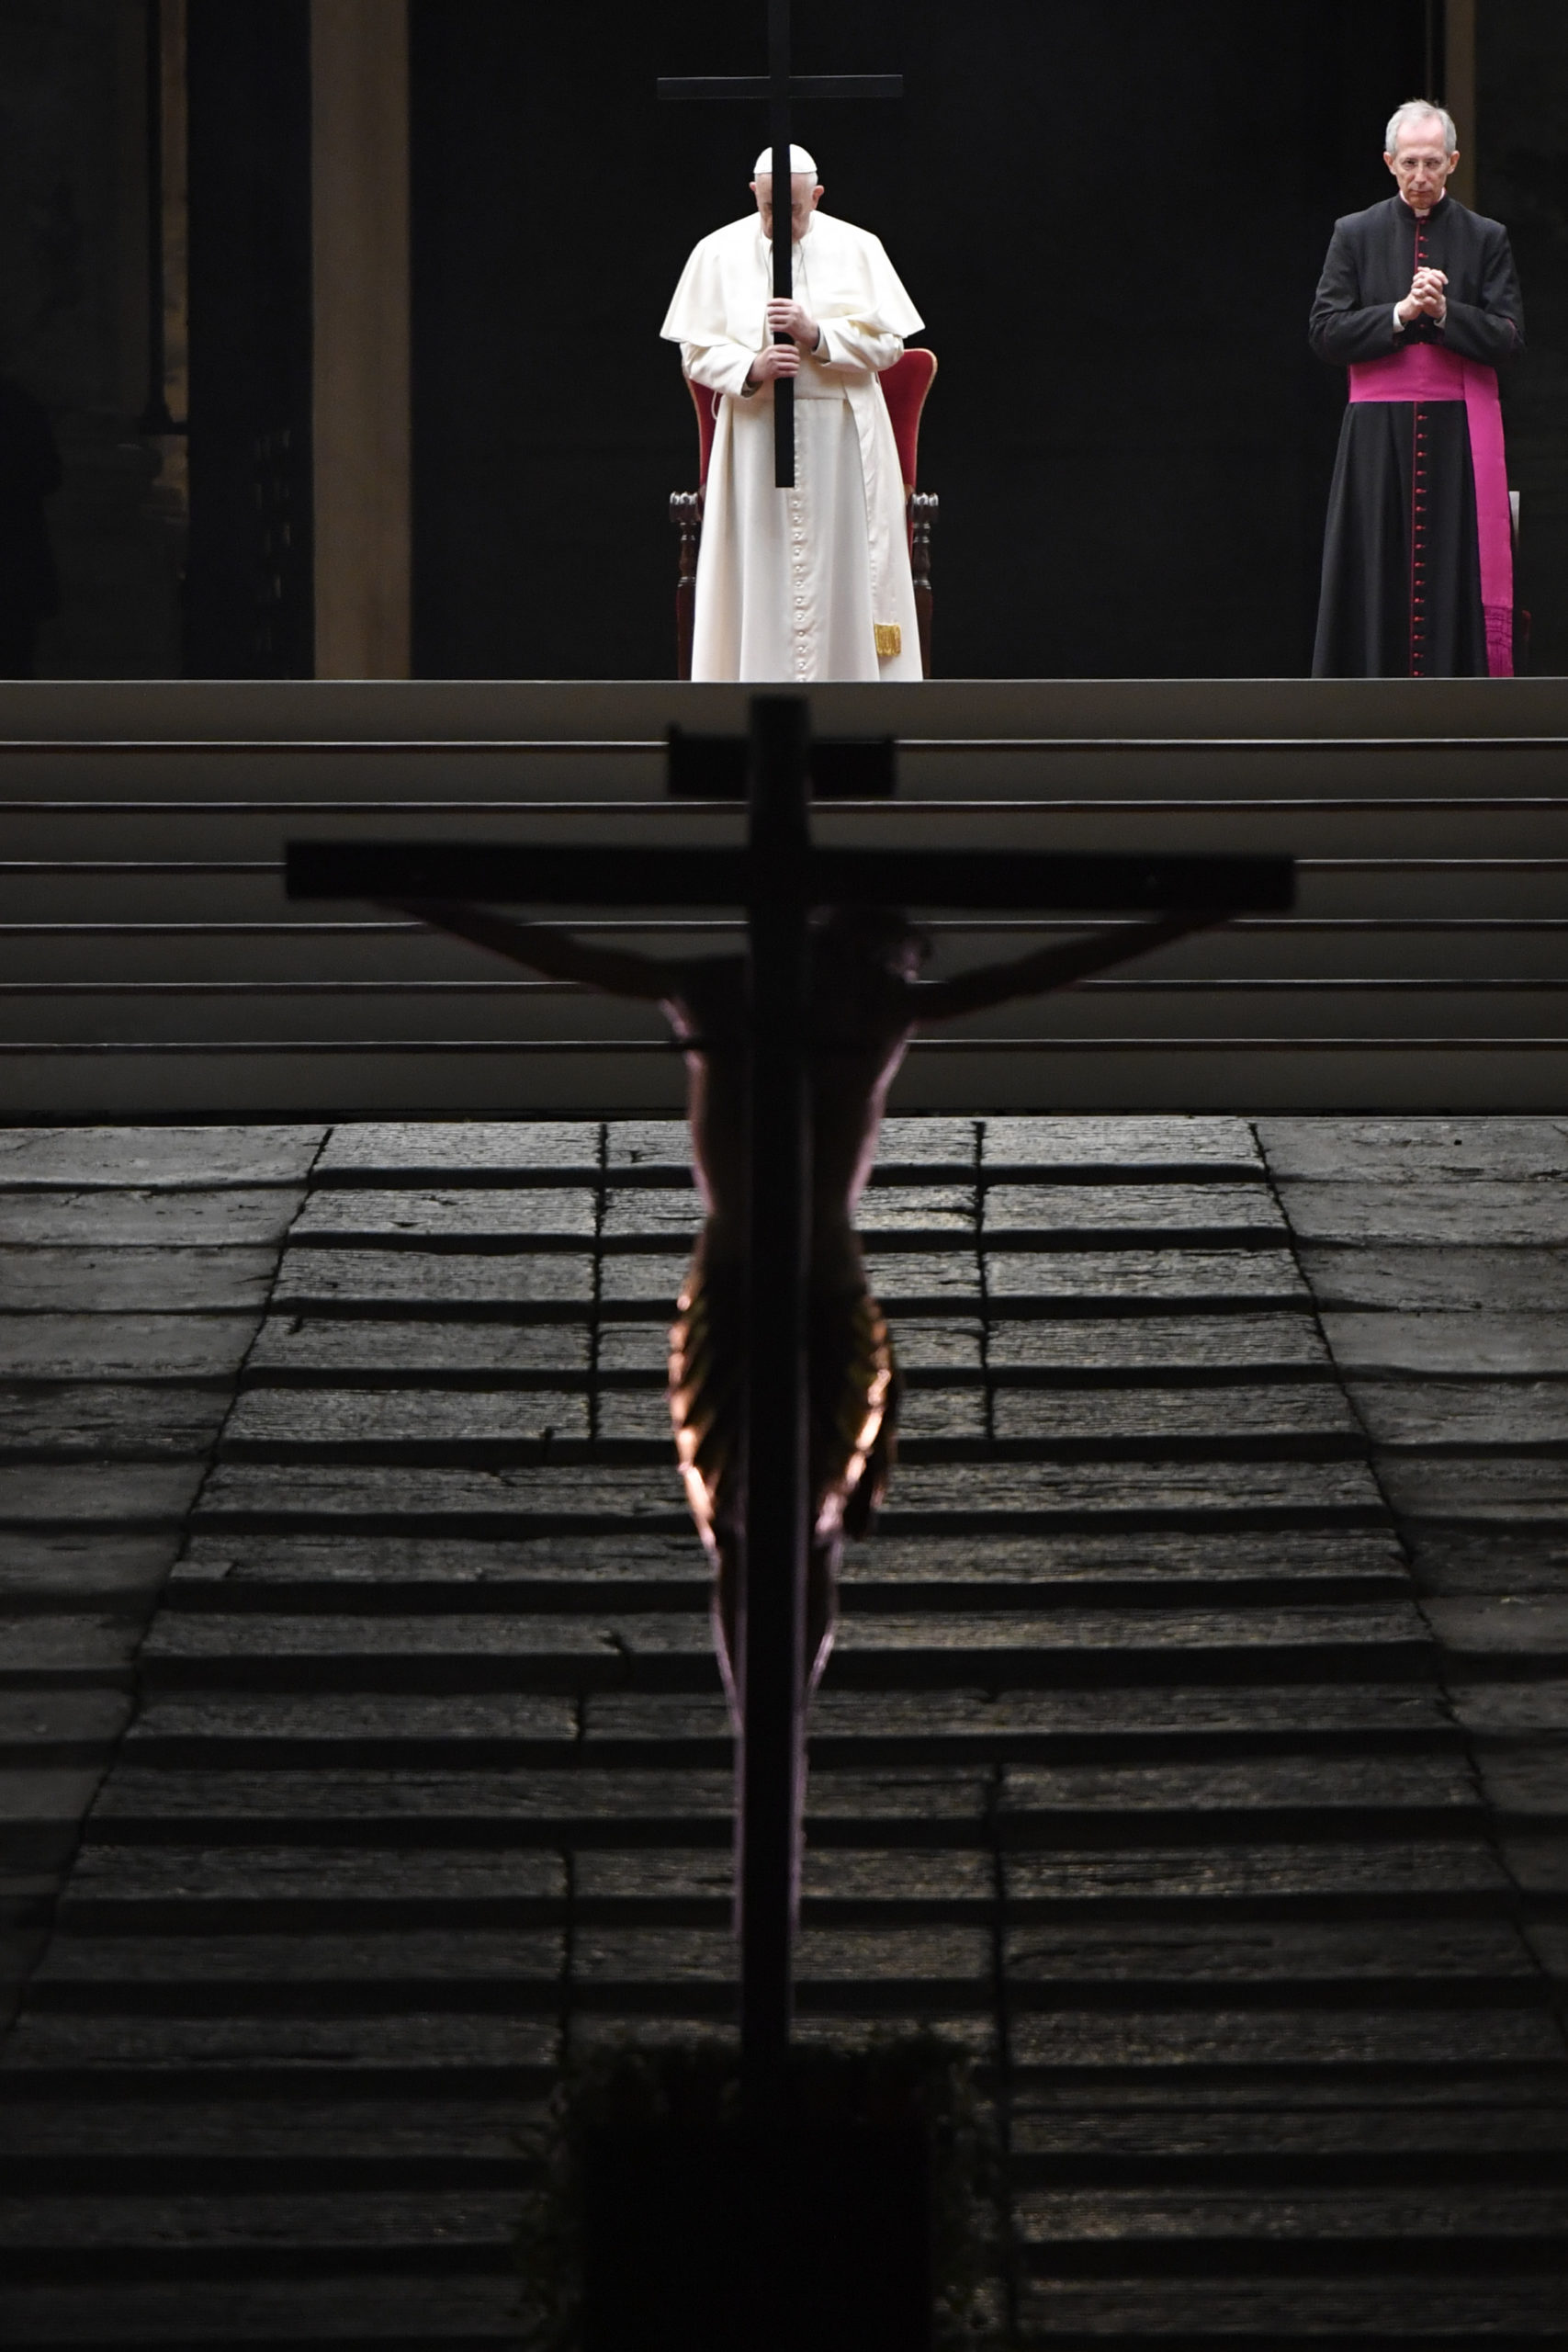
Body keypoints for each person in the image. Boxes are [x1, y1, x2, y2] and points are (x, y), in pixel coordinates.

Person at [385, 895, 1218, 1721]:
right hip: (780, 1278)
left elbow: (1035, 973)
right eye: (886, 961)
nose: (875, 978)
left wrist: (1185, 918)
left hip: (781, 1277)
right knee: (759, 1531)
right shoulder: (791, 997)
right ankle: (765, 1722)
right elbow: (1035, 973)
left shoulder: (773, 996)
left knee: (779, 1531)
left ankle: (772, 1723)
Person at [660, 148, 924, 684]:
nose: (781, 223)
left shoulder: (859, 247)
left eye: (795, 210)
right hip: (754, 436)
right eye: (768, 209)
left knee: (840, 571)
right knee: (760, 569)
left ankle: (852, 700)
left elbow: (890, 347)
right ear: (753, 193)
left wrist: (818, 334)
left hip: (841, 441)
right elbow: (694, 354)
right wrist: (750, 367)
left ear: (818, 196)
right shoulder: (716, 252)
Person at [1310, 101, 1524, 679]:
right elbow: (1325, 333)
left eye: (1433, 162)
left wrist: (1448, 312)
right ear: (1389, 162)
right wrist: (1401, 313)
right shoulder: (1354, 234)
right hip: (1375, 443)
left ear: (1453, 162)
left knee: (1454, 571)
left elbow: (1509, 339)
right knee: (1375, 569)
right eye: (1409, 163)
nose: (1421, 176)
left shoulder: (1487, 238)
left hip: (1458, 441)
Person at [0, 377, 62, 677]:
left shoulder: (17, 404)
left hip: (15, 560)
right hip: (17, 560)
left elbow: (48, 474)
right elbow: (49, 474)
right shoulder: (19, 403)